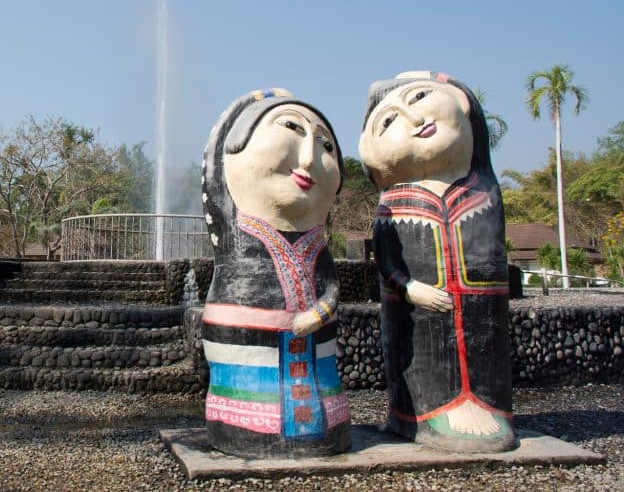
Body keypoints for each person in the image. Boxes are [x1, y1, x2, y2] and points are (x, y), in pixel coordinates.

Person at [358, 71, 515, 453]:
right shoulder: (393, 204)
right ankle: (416, 415)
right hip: (418, 308)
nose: (414, 118)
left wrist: (439, 77)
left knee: (484, 355)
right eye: (388, 121)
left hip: (481, 306)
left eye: (421, 97)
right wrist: (410, 288)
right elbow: (387, 262)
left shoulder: (483, 189)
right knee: (424, 359)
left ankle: (488, 407)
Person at [201, 88, 351, 458]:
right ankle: (244, 425)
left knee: (320, 392)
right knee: (252, 396)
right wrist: (255, 98)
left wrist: (320, 312)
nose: (309, 158)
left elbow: (331, 286)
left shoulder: (317, 244)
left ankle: (323, 426)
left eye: (326, 146)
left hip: (316, 352)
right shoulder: (236, 235)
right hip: (246, 350)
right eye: (290, 127)